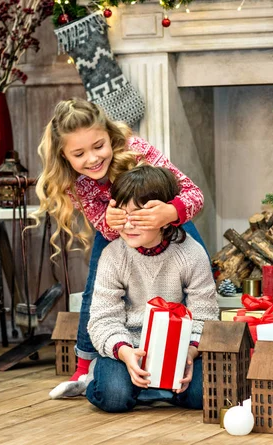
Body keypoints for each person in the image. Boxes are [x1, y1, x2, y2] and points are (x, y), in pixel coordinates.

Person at [31, 98, 206, 383]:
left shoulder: (135, 149)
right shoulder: (74, 182)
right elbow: (105, 227)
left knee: (200, 270)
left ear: (110, 137)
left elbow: (193, 193)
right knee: (94, 288)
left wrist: (171, 211)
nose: (92, 158)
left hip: (167, 221)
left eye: (99, 146)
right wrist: (112, 223)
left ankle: (193, 348)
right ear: (64, 156)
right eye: (79, 153)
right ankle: (85, 365)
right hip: (118, 232)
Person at [51, 165, 219, 411]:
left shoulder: (191, 254)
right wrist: (125, 352)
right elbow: (102, 319)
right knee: (114, 396)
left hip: (176, 349)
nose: (128, 224)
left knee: (202, 395)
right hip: (127, 347)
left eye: (139, 216)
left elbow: (205, 313)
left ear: (164, 218)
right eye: (122, 214)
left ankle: (151, 390)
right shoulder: (113, 256)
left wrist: (190, 354)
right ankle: (103, 381)